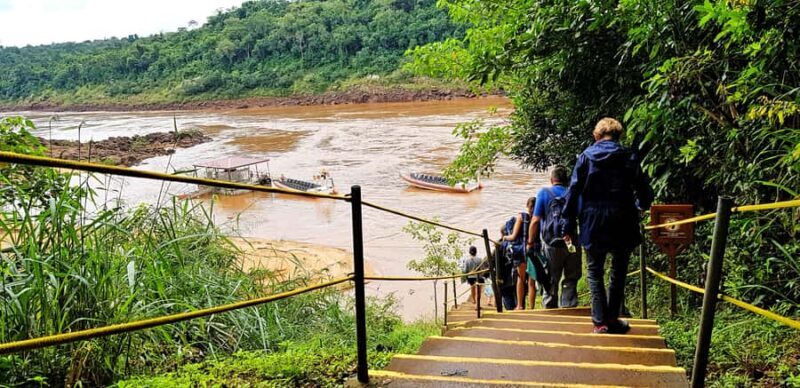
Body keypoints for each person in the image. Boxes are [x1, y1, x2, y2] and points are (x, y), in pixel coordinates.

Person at [562, 117, 653, 334]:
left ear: (596, 136)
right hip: (623, 217)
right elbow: (643, 188)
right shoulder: (629, 155)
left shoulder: (586, 157)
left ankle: (600, 322)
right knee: (619, 270)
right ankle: (612, 319)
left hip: (593, 220)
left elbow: (573, 192)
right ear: (618, 135)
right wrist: (642, 205)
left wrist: (567, 224)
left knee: (594, 270)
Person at [527, 166, 582, 309]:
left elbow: (535, 221)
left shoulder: (544, 193)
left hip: (551, 244)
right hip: (572, 242)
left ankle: (550, 309)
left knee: (551, 279)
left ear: (552, 180)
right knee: (571, 277)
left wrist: (530, 242)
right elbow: (582, 217)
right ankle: (569, 307)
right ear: (567, 181)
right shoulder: (574, 193)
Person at [501, 197, 535, 310]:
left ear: (527, 206)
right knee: (531, 281)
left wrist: (504, 237)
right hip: (534, 250)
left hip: (521, 252)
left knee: (520, 278)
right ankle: (531, 308)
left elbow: (513, 236)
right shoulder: (537, 218)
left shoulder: (521, 217)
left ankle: (520, 305)